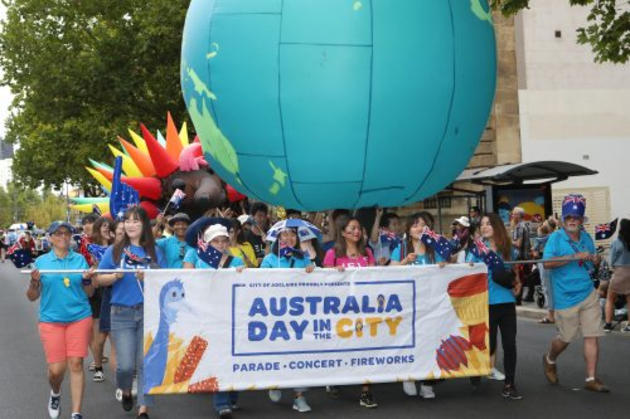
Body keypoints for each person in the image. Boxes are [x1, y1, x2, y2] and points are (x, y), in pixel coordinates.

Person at [96, 206, 167, 419]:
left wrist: (150, 278)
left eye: (136, 220)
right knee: (125, 366)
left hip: (148, 311)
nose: (131, 224)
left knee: (145, 362)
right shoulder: (114, 251)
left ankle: (143, 408)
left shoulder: (155, 251)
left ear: (144, 224)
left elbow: (165, 280)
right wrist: (114, 276)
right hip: (121, 313)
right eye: (127, 221)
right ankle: (126, 390)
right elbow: (99, 279)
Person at [26, 221, 96, 419]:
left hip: (79, 317)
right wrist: (34, 282)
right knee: (56, 371)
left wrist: (87, 280)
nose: (63, 237)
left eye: (67, 233)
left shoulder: (80, 260)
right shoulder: (41, 262)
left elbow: (90, 293)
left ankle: (76, 413)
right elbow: (31, 296)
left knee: (75, 363)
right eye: (57, 233)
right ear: (50, 238)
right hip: (51, 320)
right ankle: (55, 392)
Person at [542, 194, 608, 392]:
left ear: (581, 220)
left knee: (592, 335)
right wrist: (573, 256)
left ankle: (590, 379)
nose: (573, 220)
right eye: (569, 217)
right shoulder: (555, 238)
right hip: (565, 297)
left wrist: (594, 260)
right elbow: (547, 264)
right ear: (563, 219)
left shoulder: (587, 237)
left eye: (576, 217)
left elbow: (588, 261)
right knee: (566, 338)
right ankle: (549, 359)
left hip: (588, 293)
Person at [187, 223, 244, 418]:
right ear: (208, 243)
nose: (220, 244)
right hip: (210, 316)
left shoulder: (236, 261)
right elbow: (191, 281)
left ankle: (232, 393)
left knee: (233, 356)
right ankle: (221, 402)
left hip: (233, 315)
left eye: (223, 240)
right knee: (219, 357)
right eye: (215, 241)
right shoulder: (202, 262)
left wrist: (242, 274)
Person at [323, 216, 378, 408]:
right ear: (343, 232)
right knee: (342, 347)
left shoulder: (368, 252)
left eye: (359, 228)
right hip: (340, 312)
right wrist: (333, 274)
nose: (357, 232)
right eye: (352, 228)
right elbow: (324, 284)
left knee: (366, 349)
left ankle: (366, 391)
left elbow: (376, 278)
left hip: (364, 310)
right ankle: (335, 378)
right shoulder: (332, 253)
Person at [467, 213, 523, 399]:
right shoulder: (476, 249)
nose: (484, 227)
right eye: (482, 224)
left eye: (488, 223)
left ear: (496, 226)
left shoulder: (508, 249)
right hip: (485, 303)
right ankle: (476, 371)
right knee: (487, 345)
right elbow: (465, 270)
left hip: (506, 302)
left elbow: (514, 271)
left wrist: (517, 283)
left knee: (509, 344)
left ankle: (510, 383)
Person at [390, 212, 445, 398]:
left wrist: (444, 265)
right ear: (408, 229)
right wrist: (405, 262)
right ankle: (409, 376)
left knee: (430, 343)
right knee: (410, 342)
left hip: (430, 305)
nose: (419, 228)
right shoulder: (401, 247)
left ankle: (428, 384)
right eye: (415, 225)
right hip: (407, 305)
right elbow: (389, 271)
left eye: (422, 225)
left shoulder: (434, 249)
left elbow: (446, 267)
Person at [261, 227, 315, 412]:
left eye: (293, 235)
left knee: (299, 355)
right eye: (285, 234)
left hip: (299, 316)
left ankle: (299, 396)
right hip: (275, 315)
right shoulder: (269, 259)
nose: (289, 238)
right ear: (278, 238)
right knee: (276, 351)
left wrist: (312, 269)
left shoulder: (304, 258)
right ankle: (274, 382)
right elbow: (258, 285)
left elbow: (318, 281)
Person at [88, 216, 116, 383]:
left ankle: (121, 373)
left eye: (109, 226)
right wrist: (95, 265)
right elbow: (89, 276)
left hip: (114, 291)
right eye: (103, 226)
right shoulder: (91, 249)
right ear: (98, 229)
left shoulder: (119, 248)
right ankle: (98, 366)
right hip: (98, 295)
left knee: (114, 336)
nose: (106, 229)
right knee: (100, 337)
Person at [604, 219, 630, 332]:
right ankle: (629, 326)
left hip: (619, 273)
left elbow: (611, 261)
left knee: (610, 299)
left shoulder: (616, 242)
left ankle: (608, 324)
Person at [534, 222, 555, 324]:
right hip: (552, 263)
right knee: (550, 287)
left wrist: (535, 251)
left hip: (545, 263)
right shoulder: (556, 237)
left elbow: (535, 251)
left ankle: (550, 313)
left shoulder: (541, 239)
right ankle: (552, 312)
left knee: (546, 287)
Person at [511, 207, 532, 303]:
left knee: (519, 277)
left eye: (514, 214)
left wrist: (508, 241)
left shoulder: (520, 227)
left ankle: (518, 299)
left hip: (520, 257)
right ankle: (528, 296)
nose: (512, 216)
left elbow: (518, 244)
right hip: (525, 256)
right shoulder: (526, 225)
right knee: (525, 277)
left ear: (519, 215)